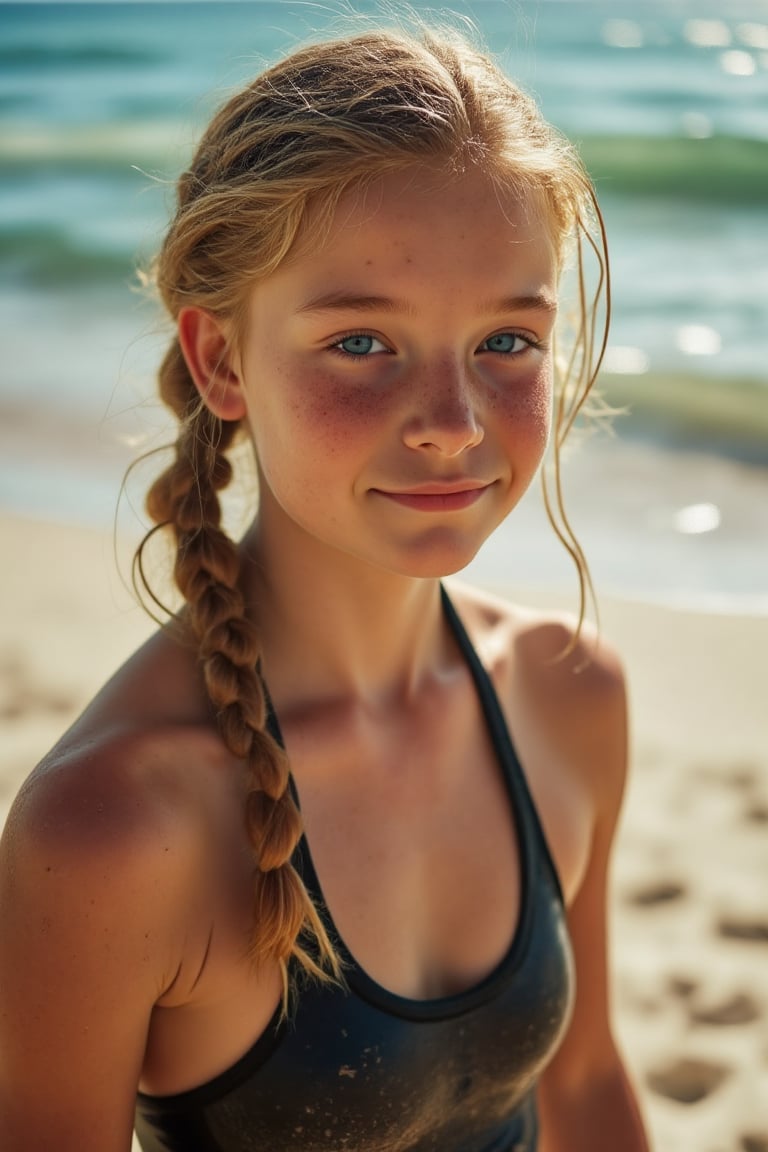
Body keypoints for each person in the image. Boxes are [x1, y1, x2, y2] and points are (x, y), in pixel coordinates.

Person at [0, 20, 650, 1152]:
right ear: (221, 362)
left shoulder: (567, 695)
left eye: (507, 340)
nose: (451, 425)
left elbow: (588, 1087)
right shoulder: (111, 831)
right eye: (361, 343)